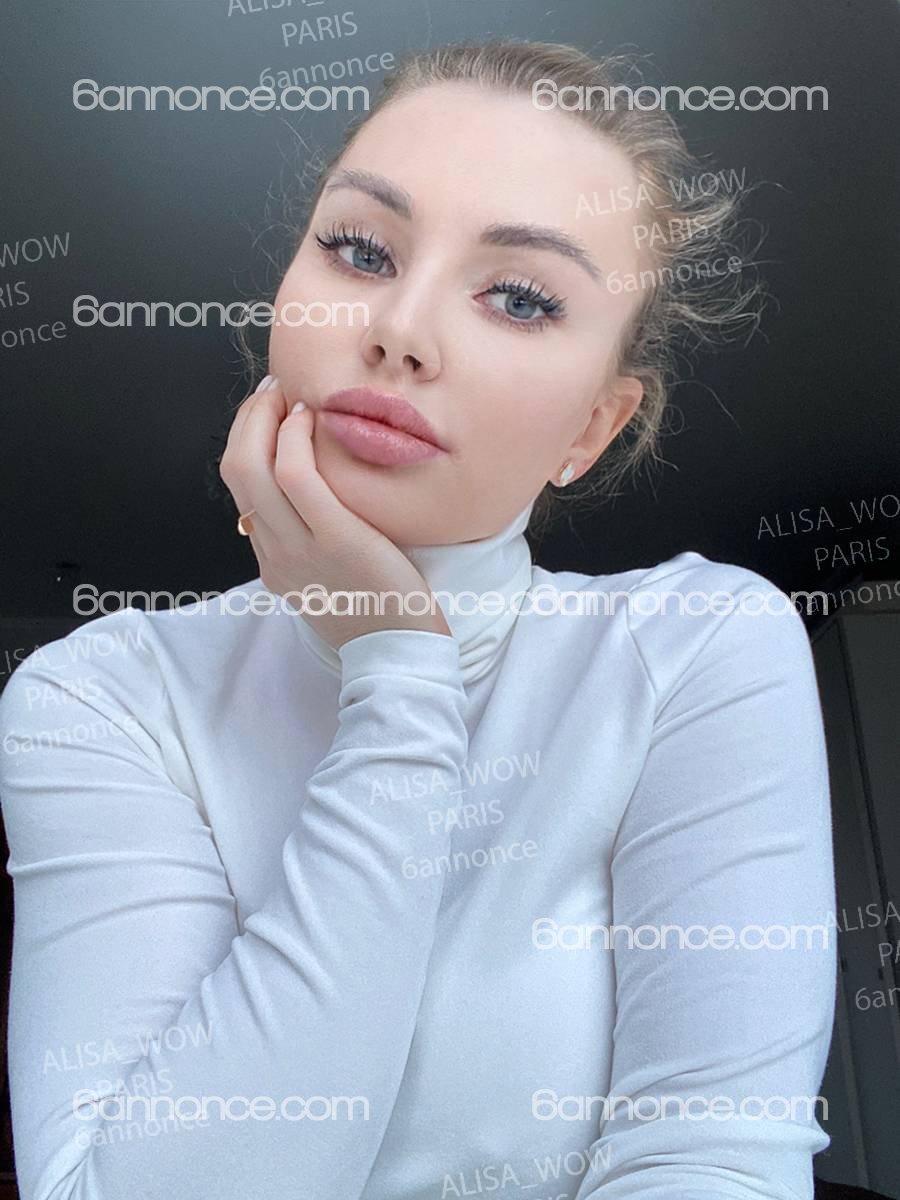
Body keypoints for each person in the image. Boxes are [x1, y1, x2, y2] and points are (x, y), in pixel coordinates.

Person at [0, 39, 836, 1200]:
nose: (399, 327)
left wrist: (392, 654)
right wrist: (396, 678)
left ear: (592, 428)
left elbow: (711, 1165)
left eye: (520, 298)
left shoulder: (697, 648)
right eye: (361, 249)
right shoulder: (96, 696)